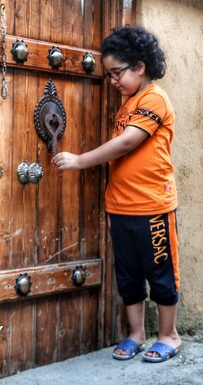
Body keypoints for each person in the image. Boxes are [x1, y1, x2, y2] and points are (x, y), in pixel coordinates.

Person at [52, 26, 181, 363]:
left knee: (161, 272)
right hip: (121, 206)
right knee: (129, 274)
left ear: (140, 67)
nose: (112, 81)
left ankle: (169, 335)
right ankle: (136, 334)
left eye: (117, 73)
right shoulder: (128, 104)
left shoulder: (154, 99)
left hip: (152, 205)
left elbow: (127, 143)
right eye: (109, 75)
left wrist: (80, 160)